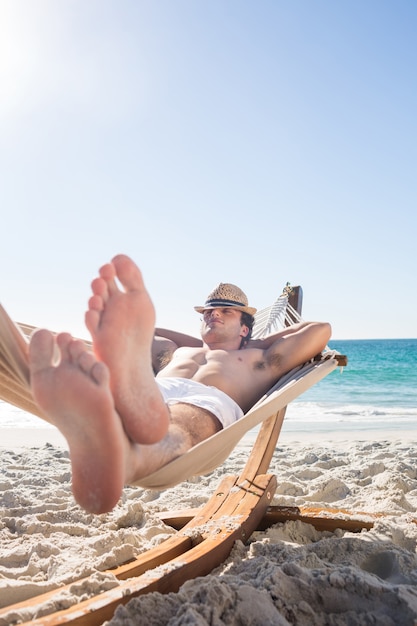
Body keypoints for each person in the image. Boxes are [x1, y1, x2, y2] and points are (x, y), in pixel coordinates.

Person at [28, 254, 331, 514]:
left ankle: (122, 453)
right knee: (130, 358)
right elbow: (138, 328)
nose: (213, 315)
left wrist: (254, 340)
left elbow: (319, 330)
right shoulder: (176, 350)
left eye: (226, 311)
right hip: (153, 393)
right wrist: (203, 340)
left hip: (206, 403)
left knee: (180, 425)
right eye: (209, 312)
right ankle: (112, 422)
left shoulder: (259, 358)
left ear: (245, 328)